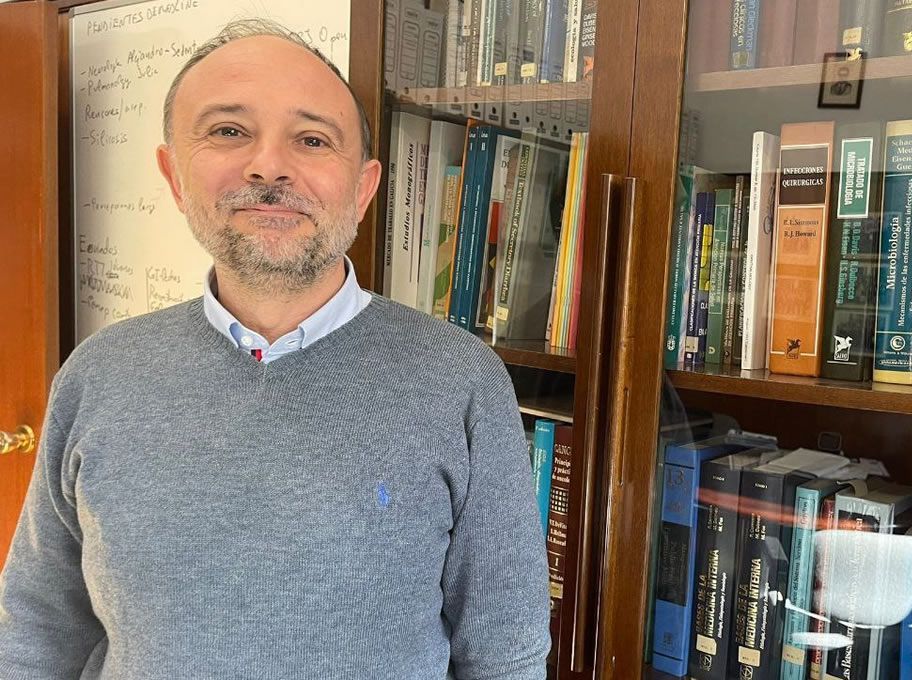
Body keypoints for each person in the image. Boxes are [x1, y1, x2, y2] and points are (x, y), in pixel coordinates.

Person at [0, 19, 550, 679]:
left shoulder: (461, 381)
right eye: (229, 131)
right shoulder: (97, 375)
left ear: (364, 188)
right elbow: (35, 632)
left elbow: (504, 653)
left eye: (312, 139)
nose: (268, 166)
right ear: (174, 175)